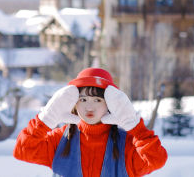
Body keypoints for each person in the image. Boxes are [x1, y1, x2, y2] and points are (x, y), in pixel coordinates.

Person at [13, 67, 167, 177]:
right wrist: (45, 119)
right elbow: (23, 150)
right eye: (83, 99)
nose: (89, 107)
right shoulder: (60, 140)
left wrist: (135, 127)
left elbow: (156, 159)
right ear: (75, 103)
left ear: (109, 104)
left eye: (97, 100)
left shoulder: (126, 144)